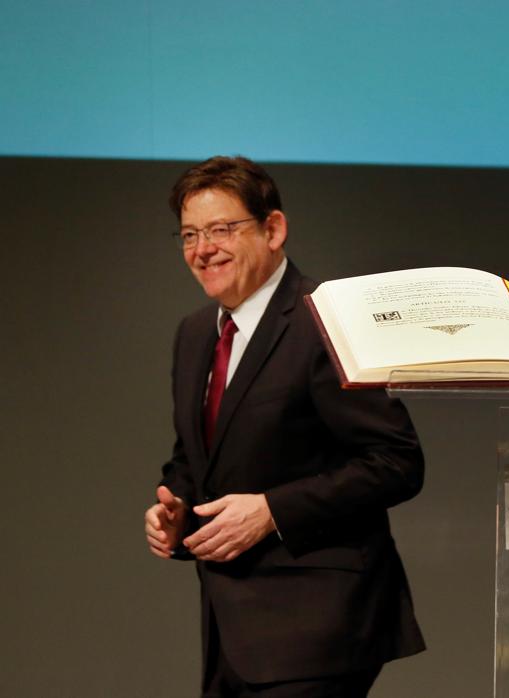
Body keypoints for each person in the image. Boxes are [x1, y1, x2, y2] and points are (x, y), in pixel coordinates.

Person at [143, 156, 426, 696]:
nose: (203, 249)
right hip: (231, 626)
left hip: (318, 622)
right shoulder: (195, 333)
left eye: (222, 229)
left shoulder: (325, 321)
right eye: (189, 235)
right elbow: (195, 456)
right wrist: (175, 508)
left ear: (273, 229)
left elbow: (396, 462)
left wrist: (273, 511)